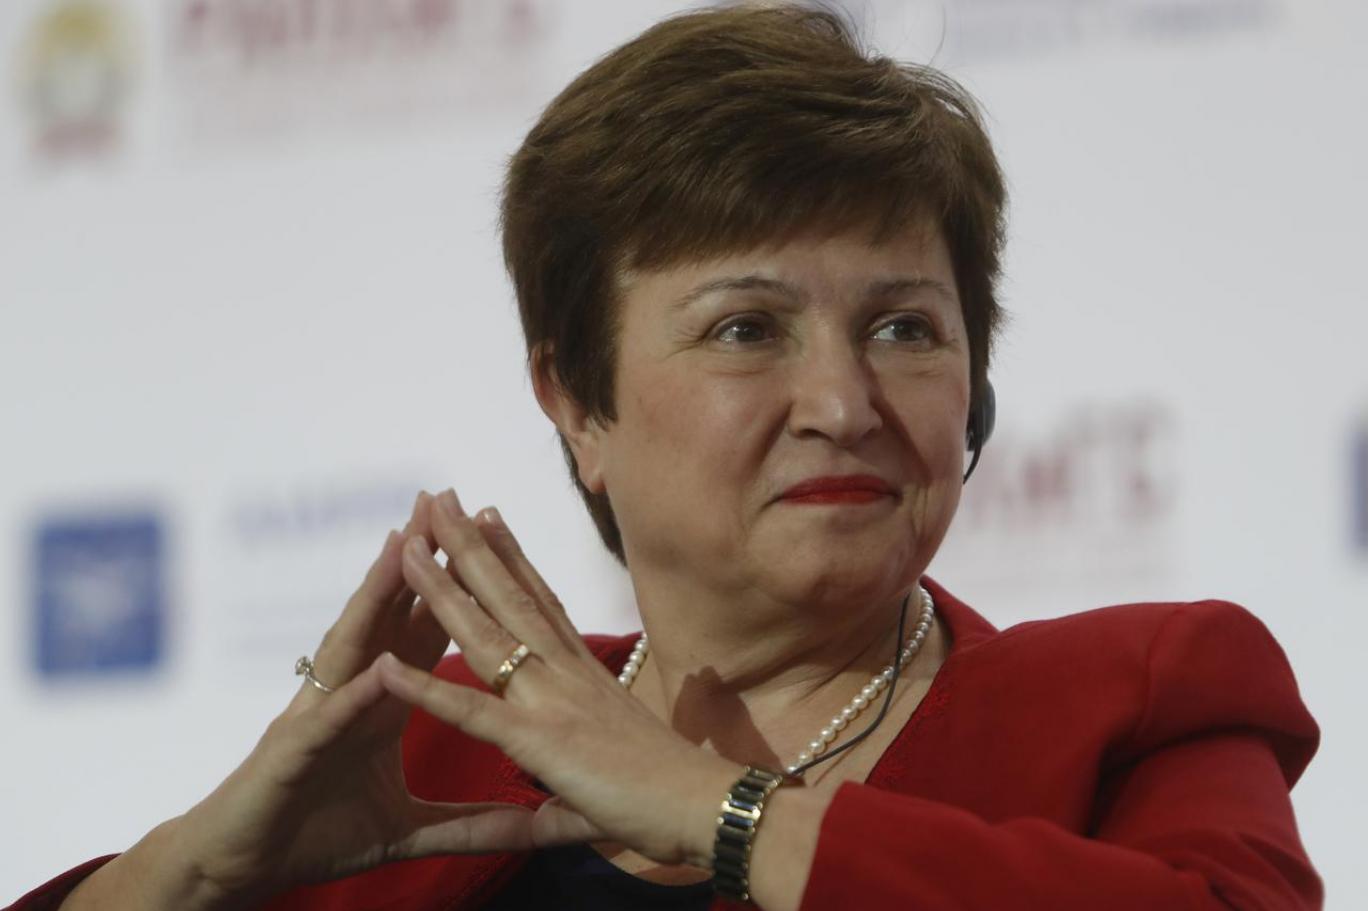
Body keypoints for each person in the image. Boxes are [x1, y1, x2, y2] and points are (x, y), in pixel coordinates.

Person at [11, 6, 1320, 910]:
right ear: (577, 401)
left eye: (905, 328)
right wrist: (190, 872)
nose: (842, 402)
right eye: (748, 329)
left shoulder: (1136, 698)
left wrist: (719, 813)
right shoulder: (433, 752)